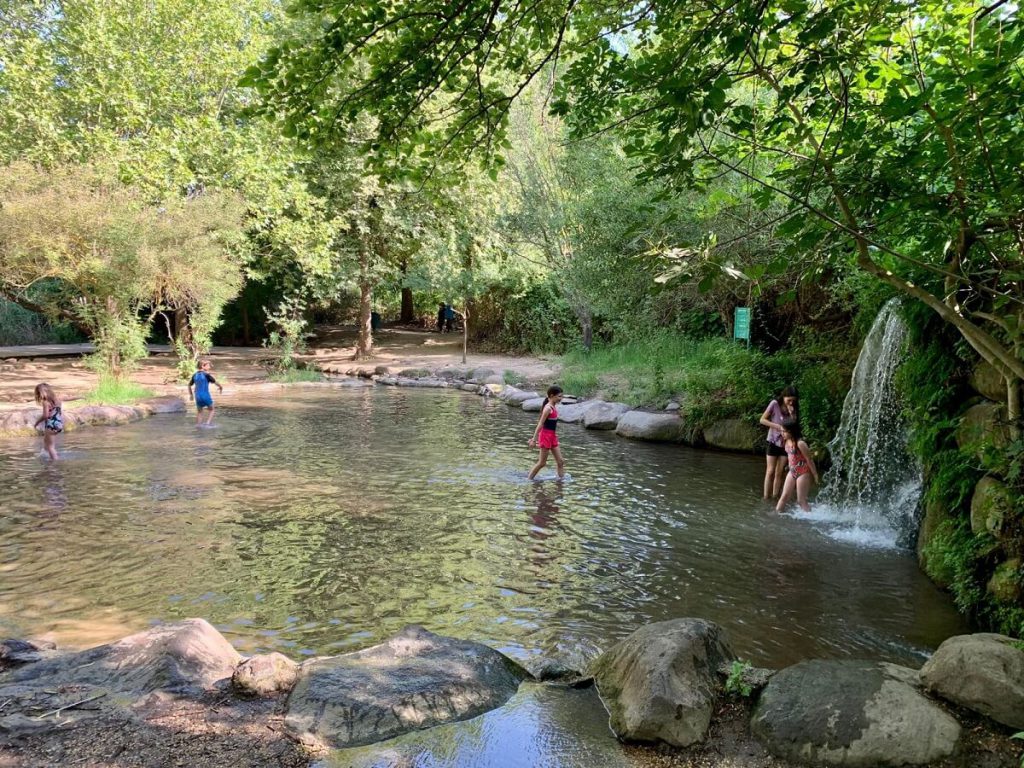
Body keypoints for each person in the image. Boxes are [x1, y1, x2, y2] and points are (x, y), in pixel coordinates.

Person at [759, 385, 799, 498]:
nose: (791, 403)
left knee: (779, 472)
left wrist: (792, 414)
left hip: (786, 444)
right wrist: (778, 426)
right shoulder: (774, 404)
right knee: (770, 471)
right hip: (773, 441)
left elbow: (794, 427)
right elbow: (762, 420)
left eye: (793, 401)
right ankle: (766, 497)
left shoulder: (793, 409)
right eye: (789, 400)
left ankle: (775, 497)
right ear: (784, 396)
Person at [775, 420, 819, 513]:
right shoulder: (786, 440)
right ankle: (776, 514)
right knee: (784, 496)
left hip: (803, 472)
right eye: (781, 431)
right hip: (792, 471)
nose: (782, 433)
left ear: (791, 431)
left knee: (801, 501)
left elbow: (809, 459)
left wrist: (815, 475)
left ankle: (811, 518)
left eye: (784, 431)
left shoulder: (800, 443)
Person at [528, 386, 565, 480]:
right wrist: (534, 440)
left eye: (562, 396)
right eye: (559, 396)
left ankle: (560, 483)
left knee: (560, 461)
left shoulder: (553, 407)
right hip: (545, 436)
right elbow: (540, 424)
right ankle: (528, 480)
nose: (561, 399)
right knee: (542, 463)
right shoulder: (548, 408)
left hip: (552, 436)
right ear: (552, 396)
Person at [33, 383, 63, 461]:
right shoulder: (58, 399)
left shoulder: (46, 402)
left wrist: (37, 422)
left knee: (50, 447)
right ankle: (45, 455)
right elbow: (70, 397)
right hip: (58, 424)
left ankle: (55, 462)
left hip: (51, 425)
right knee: (46, 441)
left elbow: (45, 416)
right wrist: (80, 397)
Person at [188, 359, 223, 427]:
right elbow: (215, 382)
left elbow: (189, 385)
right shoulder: (207, 375)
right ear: (203, 366)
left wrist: (191, 395)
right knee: (212, 410)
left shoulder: (195, 375)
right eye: (208, 366)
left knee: (200, 412)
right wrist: (221, 387)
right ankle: (207, 423)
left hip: (197, 396)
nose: (209, 367)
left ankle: (198, 425)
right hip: (205, 395)